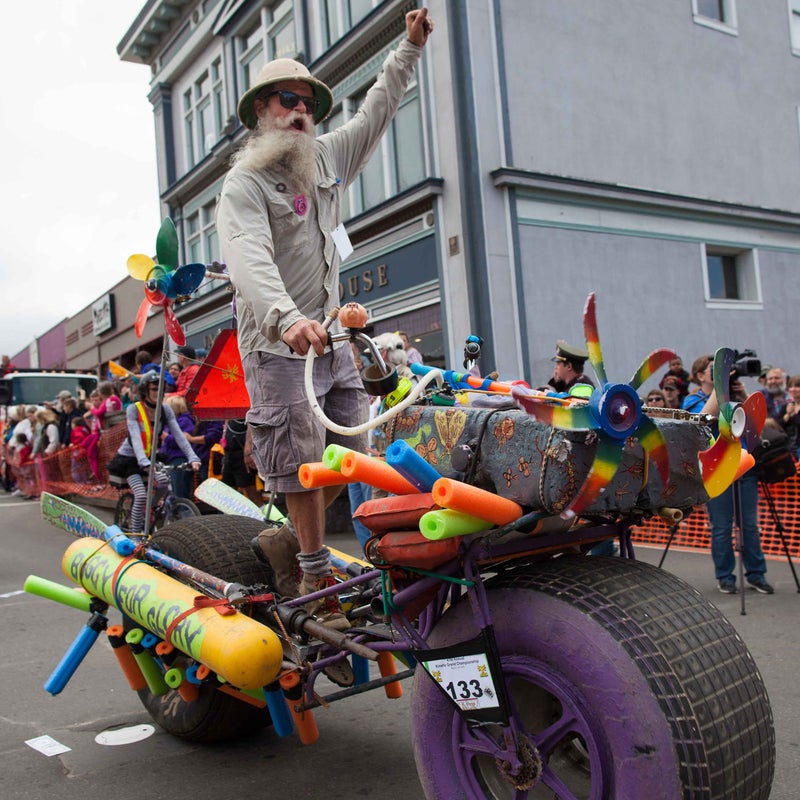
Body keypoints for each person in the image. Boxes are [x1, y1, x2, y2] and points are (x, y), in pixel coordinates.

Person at [216, 8, 434, 628]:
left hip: (334, 336)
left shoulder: (327, 156)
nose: (300, 110)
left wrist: (408, 50)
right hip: (279, 344)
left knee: (349, 453)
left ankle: (288, 539)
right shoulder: (245, 184)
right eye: (287, 100)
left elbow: (377, 113)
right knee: (300, 460)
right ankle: (312, 576)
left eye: (307, 100)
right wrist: (287, 319)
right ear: (262, 111)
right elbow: (249, 259)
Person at [696, 378, 773, 595]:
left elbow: (756, 428)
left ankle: (757, 575)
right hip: (718, 469)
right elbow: (699, 421)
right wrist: (719, 396)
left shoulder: (740, 397)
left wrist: (743, 395)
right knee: (721, 527)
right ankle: (725, 576)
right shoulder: (695, 399)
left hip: (745, 467)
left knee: (749, 525)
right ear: (703, 376)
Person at [106, 371, 201, 534]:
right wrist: (143, 461)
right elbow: (135, 437)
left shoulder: (165, 410)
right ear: (144, 390)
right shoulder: (134, 409)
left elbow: (179, 435)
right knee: (141, 495)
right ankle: (137, 535)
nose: (158, 393)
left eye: (160, 389)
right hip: (130, 460)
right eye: (153, 389)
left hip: (150, 457)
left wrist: (193, 457)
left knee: (164, 483)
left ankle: (150, 510)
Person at [159, 394, 197, 499]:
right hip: (170, 459)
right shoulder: (171, 422)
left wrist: (166, 438)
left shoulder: (185, 421)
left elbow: (182, 440)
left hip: (180, 459)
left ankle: (185, 513)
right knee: (173, 491)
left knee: (180, 491)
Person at [221, 418, 262, 506]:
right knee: (228, 492)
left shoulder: (247, 412)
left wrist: (248, 452)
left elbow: (252, 426)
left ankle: (264, 516)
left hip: (242, 456)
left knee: (251, 492)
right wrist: (224, 459)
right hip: (230, 455)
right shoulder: (229, 416)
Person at [778, 374, 800, 456]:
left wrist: (795, 415)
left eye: (797, 386)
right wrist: (787, 415)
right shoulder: (787, 406)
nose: (793, 389)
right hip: (788, 449)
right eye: (791, 386)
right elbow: (777, 426)